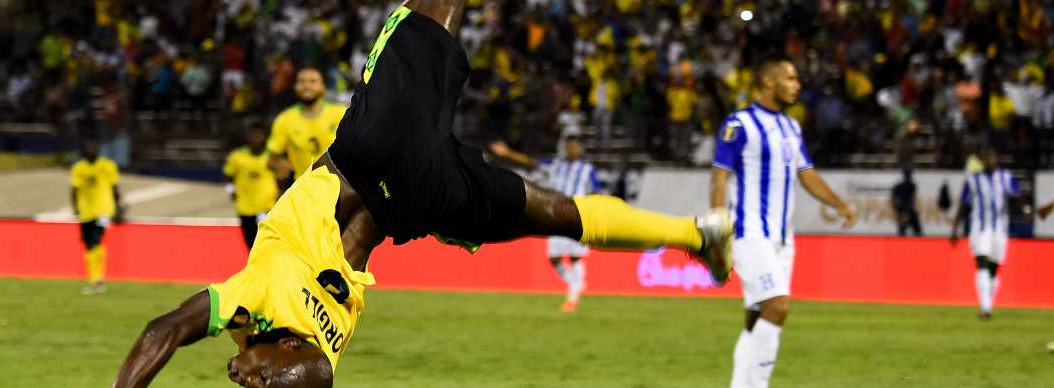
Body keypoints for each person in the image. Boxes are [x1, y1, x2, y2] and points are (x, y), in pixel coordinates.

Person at [113, 2, 734, 387]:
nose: (245, 379)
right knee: (428, 14)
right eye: (262, 381)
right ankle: (695, 235)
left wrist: (259, 360)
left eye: (257, 381)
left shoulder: (303, 340)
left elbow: (175, 335)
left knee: (552, 214)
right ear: (287, 343)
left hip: (417, 206)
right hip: (378, 161)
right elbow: (159, 331)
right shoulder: (260, 302)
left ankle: (695, 235)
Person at [711, 55, 856, 388]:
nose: (797, 85)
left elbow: (807, 174)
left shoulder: (792, 127)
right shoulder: (739, 124)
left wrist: (839, 204)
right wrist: (717, 229)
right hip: (749, 233)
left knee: (755, 319)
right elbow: (718, 178)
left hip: (782, 239)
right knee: (778, 307)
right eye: (790, 78)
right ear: (768, 82)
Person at [490, 134, 598, 312]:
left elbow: (596, 191)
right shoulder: (556, 165)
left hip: (577, 215)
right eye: (569, 146)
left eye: (575, 146)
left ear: (581, 149)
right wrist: (508, 153)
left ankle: (572, 297)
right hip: (555, 215)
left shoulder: (587, 169)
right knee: (554, 258)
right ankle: (576, 284)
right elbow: (531, 162)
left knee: (575, 257)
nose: (571, 149)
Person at [950, 146, 1021, 321]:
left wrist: (1021, 206)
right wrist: (955, 228)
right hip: (979, 229)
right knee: (981, 262)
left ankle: (988, 303)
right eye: (985, 157)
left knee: (993, 270)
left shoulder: (1006, 178)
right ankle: (985, 307)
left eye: (991, 156)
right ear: (981, 161)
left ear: (997, 159)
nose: (988, 160)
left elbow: (1018, 197)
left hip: (1000, 230)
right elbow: (964, 205)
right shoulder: (973, 180)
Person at [266, 67, 348, 188]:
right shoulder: (284, 119)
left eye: (312, 81)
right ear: (295, 87)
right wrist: (288, 170)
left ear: (323, 86)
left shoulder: (341, 114)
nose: (306, 86)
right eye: (301, 81)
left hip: (341, 188)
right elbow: (272, 160)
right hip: (304, 190)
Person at [71, 140, 124, 295]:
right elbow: (74, 190)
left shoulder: (108, 166)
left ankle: (98, 278)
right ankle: (93, 279)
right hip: (86, 212)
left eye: (94, 147)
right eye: (88, 148)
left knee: (96, 239)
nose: (91, 150)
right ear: (83, 152)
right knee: (88, 244)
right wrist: (75, 208)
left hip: (104, 210)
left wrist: (119, 208)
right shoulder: (79, 168)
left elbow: (115, 188)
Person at [223, 127, 279, 250]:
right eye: (253, 136)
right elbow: (229, 175)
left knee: (266, 243)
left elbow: (282, 177)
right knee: (250, 242)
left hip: (266, 207)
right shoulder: (237, 156)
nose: (255, 140)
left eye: (258, 137)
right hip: (245, 206)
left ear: (265, 138)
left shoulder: (271, 157)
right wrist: (230, 190)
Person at [892, 168, 922, 237]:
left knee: (913, 230)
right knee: (904, 230)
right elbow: (894, 198)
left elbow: (912, 199)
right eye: (908, 174)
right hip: (905, 210)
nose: (909, 176)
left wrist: (897, 208)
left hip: (906, 210)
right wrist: (898, 208)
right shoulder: (902, 186)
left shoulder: (911, 185)